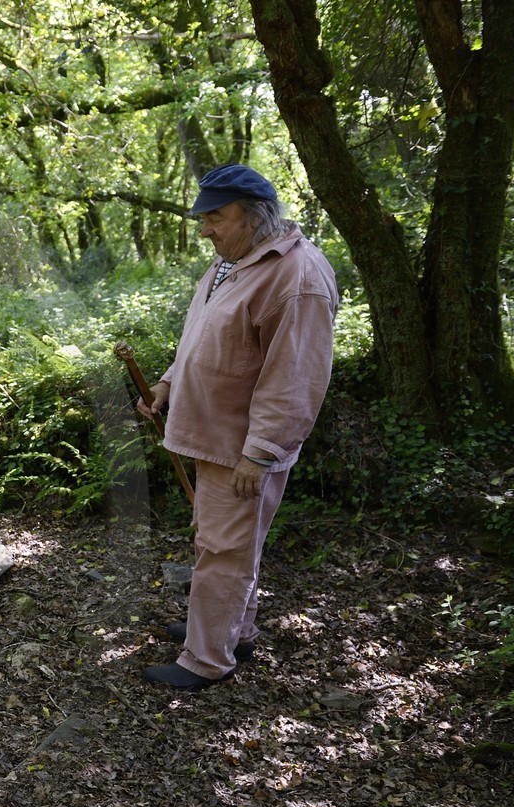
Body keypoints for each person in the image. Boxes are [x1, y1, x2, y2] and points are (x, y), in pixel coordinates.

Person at [137, 163, 338, 690]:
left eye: (215, 217)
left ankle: (206, 659)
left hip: (242, 447)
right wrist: (167, 384)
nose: (205, 229)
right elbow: (205, 338)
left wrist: (262, 451)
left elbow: (294, 378)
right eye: (203, 217)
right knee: (227, 543)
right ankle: (232, 631)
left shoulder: (297, 276)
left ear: (253, 217)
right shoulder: (234, 262)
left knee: (224, 551)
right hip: (215, 434)